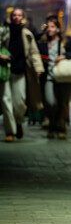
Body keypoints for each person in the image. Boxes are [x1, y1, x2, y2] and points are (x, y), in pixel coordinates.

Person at [0, 8, 44, 142]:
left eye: (19, 15)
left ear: (23, 17)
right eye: (14, 15)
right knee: (6, 101)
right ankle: (10, 132)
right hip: (5, 71)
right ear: (10, 17)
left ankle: (18, 122)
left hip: (20, 71)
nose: (16, 17)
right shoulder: (4, 31)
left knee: (19, 103)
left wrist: (38, 67)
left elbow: (34, 52)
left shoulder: (27, 33)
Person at [38, 17, 71, 139]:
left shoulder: (65, 42)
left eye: (52, 27)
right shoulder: (43, 42)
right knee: (51, 102)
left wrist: (65, 56)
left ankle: (61, 127)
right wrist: (42, 32)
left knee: (62, 103)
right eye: (48, 27)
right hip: (49, 77)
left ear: (58, 29)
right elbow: (33, 46)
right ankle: (52, 125)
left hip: (63, 76)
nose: (49, 30)